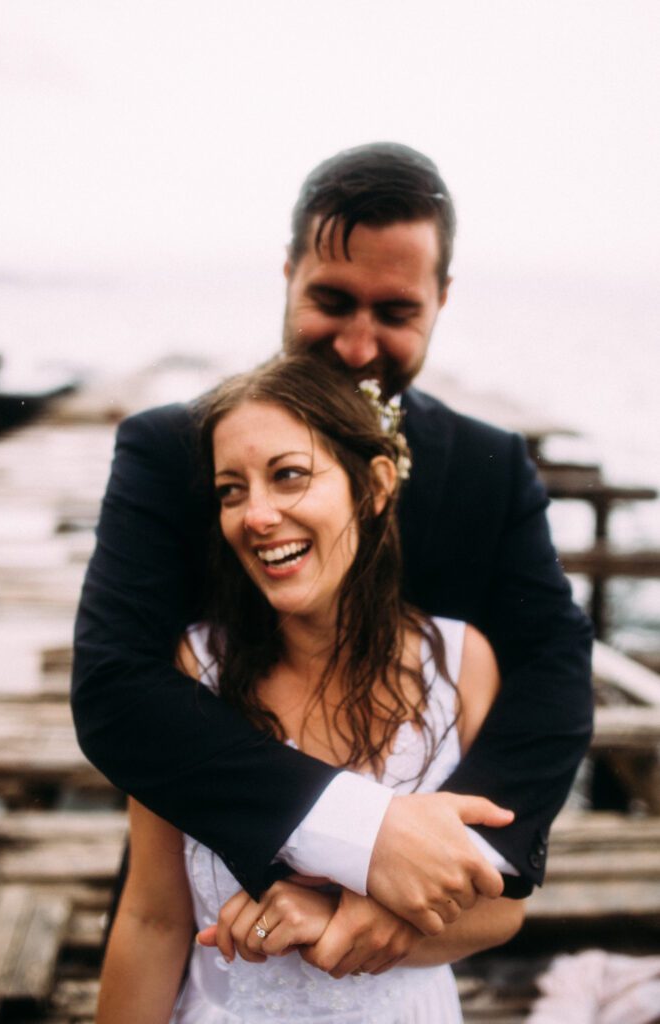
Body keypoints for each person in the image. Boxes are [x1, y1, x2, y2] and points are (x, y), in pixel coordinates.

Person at [72, 143, 593, 947]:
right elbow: (114, 689)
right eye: (332, 300)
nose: (356, 346)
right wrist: (368, 833)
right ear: (287, 275)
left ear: (441, 300)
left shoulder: (492, 470)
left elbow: (552, 671)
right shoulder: (169, 448)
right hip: (208, 908)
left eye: (395, 313)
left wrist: (448, 863)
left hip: (417, 931)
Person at [95, 355, 527, 1024]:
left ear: (373, 485)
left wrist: (330, 915)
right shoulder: (191, 669)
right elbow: (153, 917)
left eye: (288, 476)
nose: (255, 516)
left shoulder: (462, 662)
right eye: (230, 490)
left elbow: (501, 906)